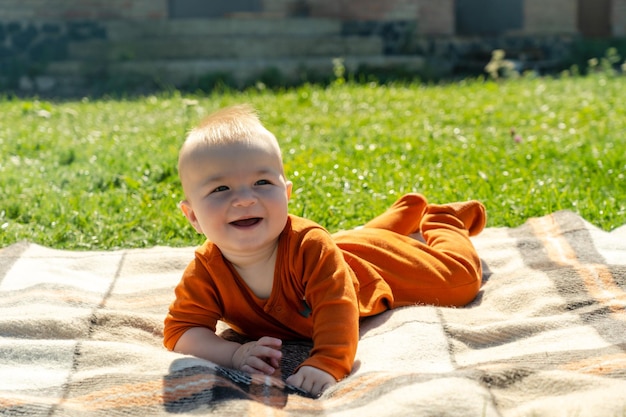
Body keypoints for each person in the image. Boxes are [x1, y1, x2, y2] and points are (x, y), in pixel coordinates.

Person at [163, 104, 486, 397]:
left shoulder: (311, 246)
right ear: (193, 216)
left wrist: (328, 361)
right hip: (340, 249)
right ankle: (400, 216)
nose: (246, 199)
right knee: (348, 242)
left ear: (286, 194)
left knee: (460, 281)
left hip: (370, 268)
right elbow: (181, 331)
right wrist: (232, 354)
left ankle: (444, 219)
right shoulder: (206, 270)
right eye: (221, 189)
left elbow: (337, 308)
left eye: (262, 182)